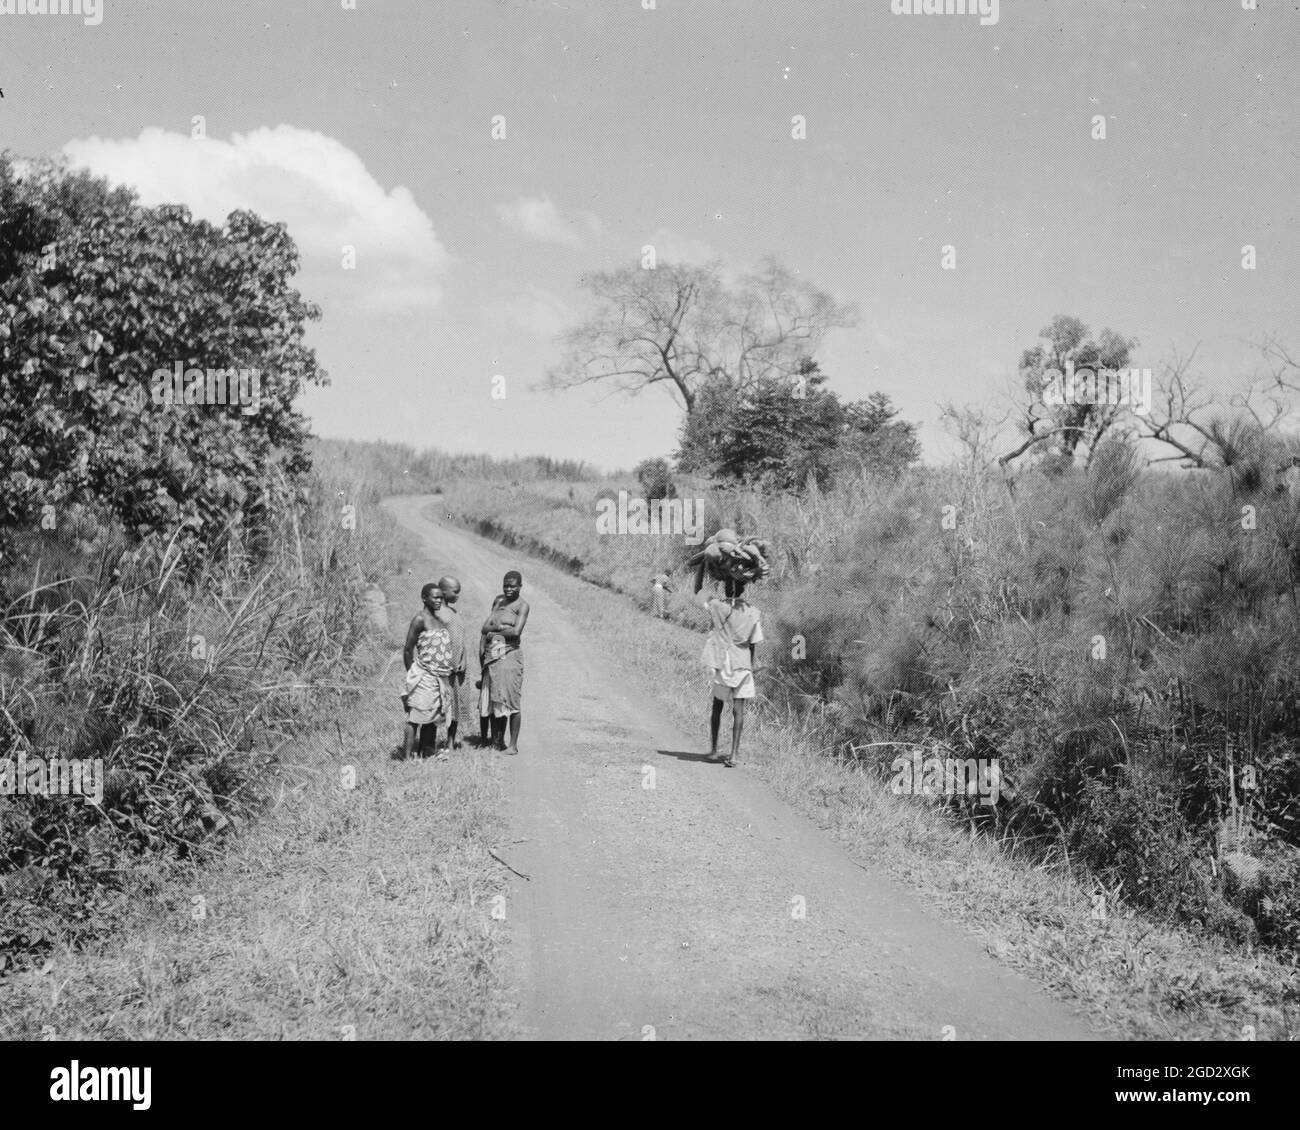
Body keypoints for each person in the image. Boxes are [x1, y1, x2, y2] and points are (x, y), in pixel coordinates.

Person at [702, 577, 763, 767]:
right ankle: (734, 755)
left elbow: (705, 600)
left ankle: (713, 750)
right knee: (739, 710)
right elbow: (753, 642)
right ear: (743, 590)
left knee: (717, 706)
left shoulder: (719, 606)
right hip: (743, 662)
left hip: (724, 661)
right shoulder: (753, 611)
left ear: (727, 588)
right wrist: (751, 665)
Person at [400, 583, 460, 760]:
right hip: (424, 675)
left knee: (433, 715)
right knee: (417, 717)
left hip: (440, 677)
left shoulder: (439, 620)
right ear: (424, 598)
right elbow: (407, 650)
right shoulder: (420, 619)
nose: (439, 600)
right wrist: (414, 674)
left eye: (441, 597)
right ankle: (408, 756)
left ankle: (427, 751)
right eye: (435, 597)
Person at [480, 570, 529, 754]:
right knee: (495, 696)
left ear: (520, 586)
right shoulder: (499, 601)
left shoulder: (522, 606)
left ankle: (513, 745)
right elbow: (485, 627)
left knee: (511, 699)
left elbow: (516, 632)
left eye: (513, 586)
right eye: (506, 585)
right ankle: (496, 741)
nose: (509, 589)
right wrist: (500, 628)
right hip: (494, 651)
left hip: (510, 653)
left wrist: (495, 632)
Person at [436, 575, 469, 750]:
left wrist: (463, 658)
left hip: (459, 667)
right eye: (455, 592)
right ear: (442, 591)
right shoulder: (436, 614)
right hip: (444, 667)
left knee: (455, 704)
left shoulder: (454, 613)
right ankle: (429, 743)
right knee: (440, 704)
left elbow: (461, 638)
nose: (457, 595)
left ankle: (450, 741)